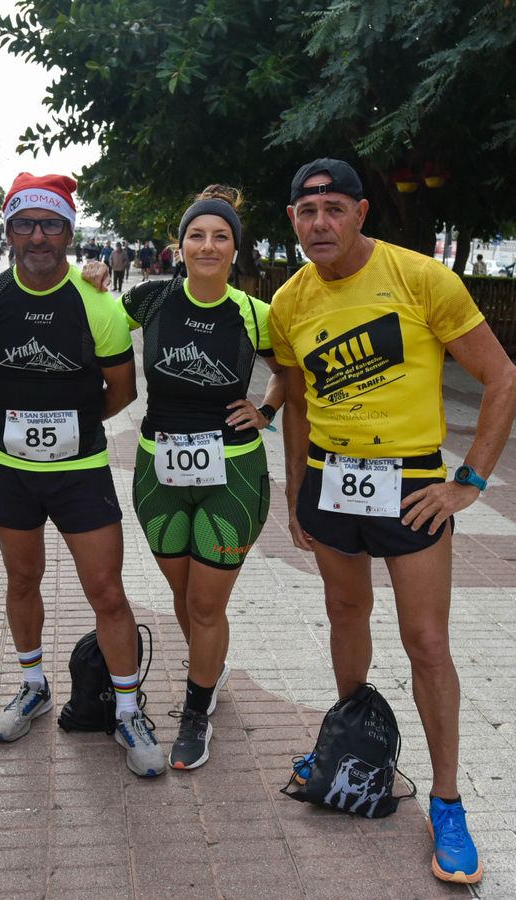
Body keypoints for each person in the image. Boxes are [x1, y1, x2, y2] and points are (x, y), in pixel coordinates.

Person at [272, 158, 516, 885]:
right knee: (347, 613)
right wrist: (294, 495)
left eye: (334, 209)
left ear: (360, 214)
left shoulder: (421, 278)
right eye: (306, 210)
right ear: (293, 220)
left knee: (426, 640)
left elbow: (504, 379)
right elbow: (296, 402)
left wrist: (467, 481)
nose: (320, 222)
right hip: (330, 481)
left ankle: (447, 801)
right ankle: (353, 747)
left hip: (411, 482)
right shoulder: (289, 301)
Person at [0, 173, 164, 777]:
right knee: (22, 581)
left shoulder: (97, 305)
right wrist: (14, 419)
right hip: (8, 467)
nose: (38, 236)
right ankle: (31, 685)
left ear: (69, 232)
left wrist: (72, 425)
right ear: (9, 231)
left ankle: (126, 710)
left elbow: (122, 390)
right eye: (25, 223)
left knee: (107, 591)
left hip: (81, 470)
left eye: (51, 224)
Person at [120, 185, 284, 771]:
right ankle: (208, 678)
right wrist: (88, 284)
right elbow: (98, 329)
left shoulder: (254, 312)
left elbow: (290, 372)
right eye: (197, 235)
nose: (208, 245)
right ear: (180, 245)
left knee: (208, 604)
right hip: (158, 469)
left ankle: (195, 709)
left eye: (220, 236)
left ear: (235, 249)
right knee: (183, 595)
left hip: (234, 473)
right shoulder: (150, 301)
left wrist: (266, 411)